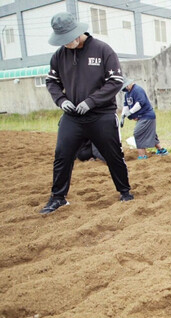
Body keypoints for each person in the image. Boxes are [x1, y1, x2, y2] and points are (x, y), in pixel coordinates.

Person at [41, 12, 133, 214]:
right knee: (62, 154)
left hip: (101, 114)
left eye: (67, 39)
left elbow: (116, 82)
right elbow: (51, 81)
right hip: (73, 116)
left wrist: (91, 102)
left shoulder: (102, 50)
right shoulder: (59, 55)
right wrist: (61, 100)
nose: (64, 44)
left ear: (77, 33)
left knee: (113, 154)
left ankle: (125, 191)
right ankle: (58, 197)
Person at [120, 79, 168, 160]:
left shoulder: (138, 90)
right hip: (141, 116)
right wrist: (122, 116)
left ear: (130, 83)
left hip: (147, 115)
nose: (126, 87)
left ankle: (142, 156)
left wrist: (130, 112)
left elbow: (140, 103)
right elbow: (126, 105)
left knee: (138, 133)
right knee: (151, 133)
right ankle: (161, 150)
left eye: (127, 85)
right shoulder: (127, 93)